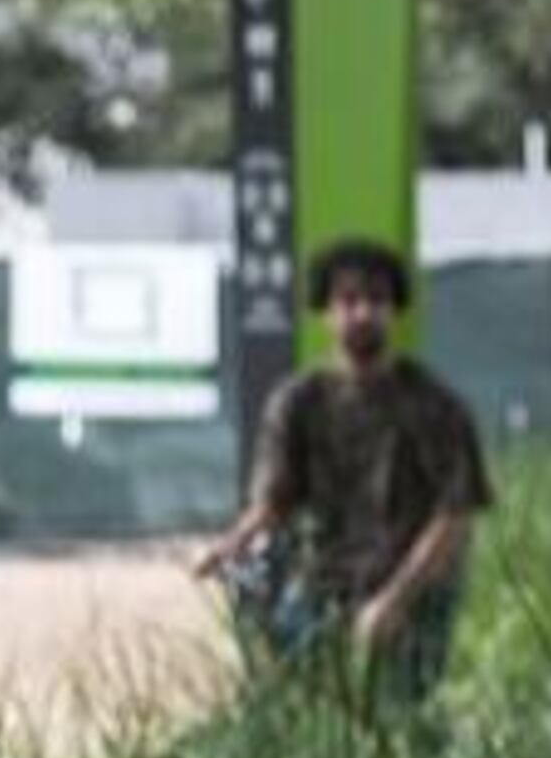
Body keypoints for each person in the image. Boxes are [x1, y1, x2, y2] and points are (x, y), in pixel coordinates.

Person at [191, 237, 495, 707]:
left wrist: (394, 601)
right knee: (294, 695)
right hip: (325, 580)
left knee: (397, 713)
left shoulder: (435, 405)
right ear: (327, 312)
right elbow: (273, 502)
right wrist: (228, 547)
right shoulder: (297, 402)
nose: (362, 313)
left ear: (394, 311)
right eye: (349, 301)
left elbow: (453, 517)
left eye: (376, 300)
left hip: (411, 585)